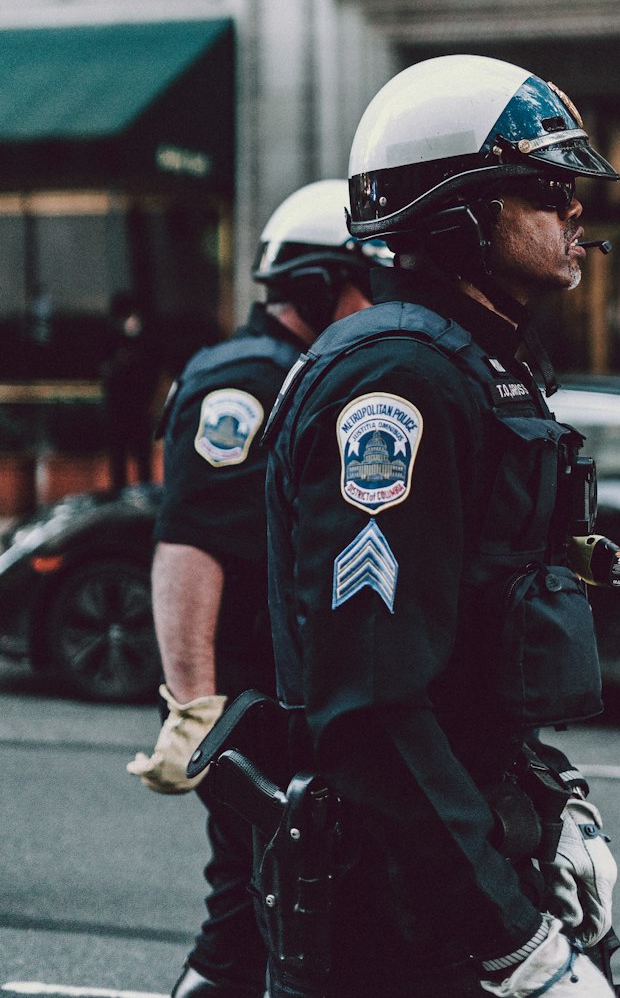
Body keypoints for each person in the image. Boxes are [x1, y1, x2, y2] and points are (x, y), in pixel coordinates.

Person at [264, 55, 620, 998]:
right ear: (460, 213)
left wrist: (557, 805)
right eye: (549, 189)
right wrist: (513, 947)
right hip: (404, 909)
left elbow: (472, 655)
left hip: (468, 855)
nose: (575, 211)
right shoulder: (399, 381)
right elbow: (374, 705)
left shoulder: (483, 363)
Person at [127, 181, 384, 998]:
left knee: (298, 904)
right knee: (250, 905)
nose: (374, 302)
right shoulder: (245, 381)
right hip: (248, 701)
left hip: (290, 693)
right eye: (362, 283)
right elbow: (191, 543)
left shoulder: (307, 371)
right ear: (315, 285)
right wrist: (195, 707)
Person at [100, 291, 162, 489]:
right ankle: (121, 496)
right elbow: (104, 370)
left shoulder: (146, 341)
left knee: (142, 458)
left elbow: (154, 371)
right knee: (119, 460)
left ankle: (143, 495)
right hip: (120, 408)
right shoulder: (111, 338)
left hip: (138, 407)